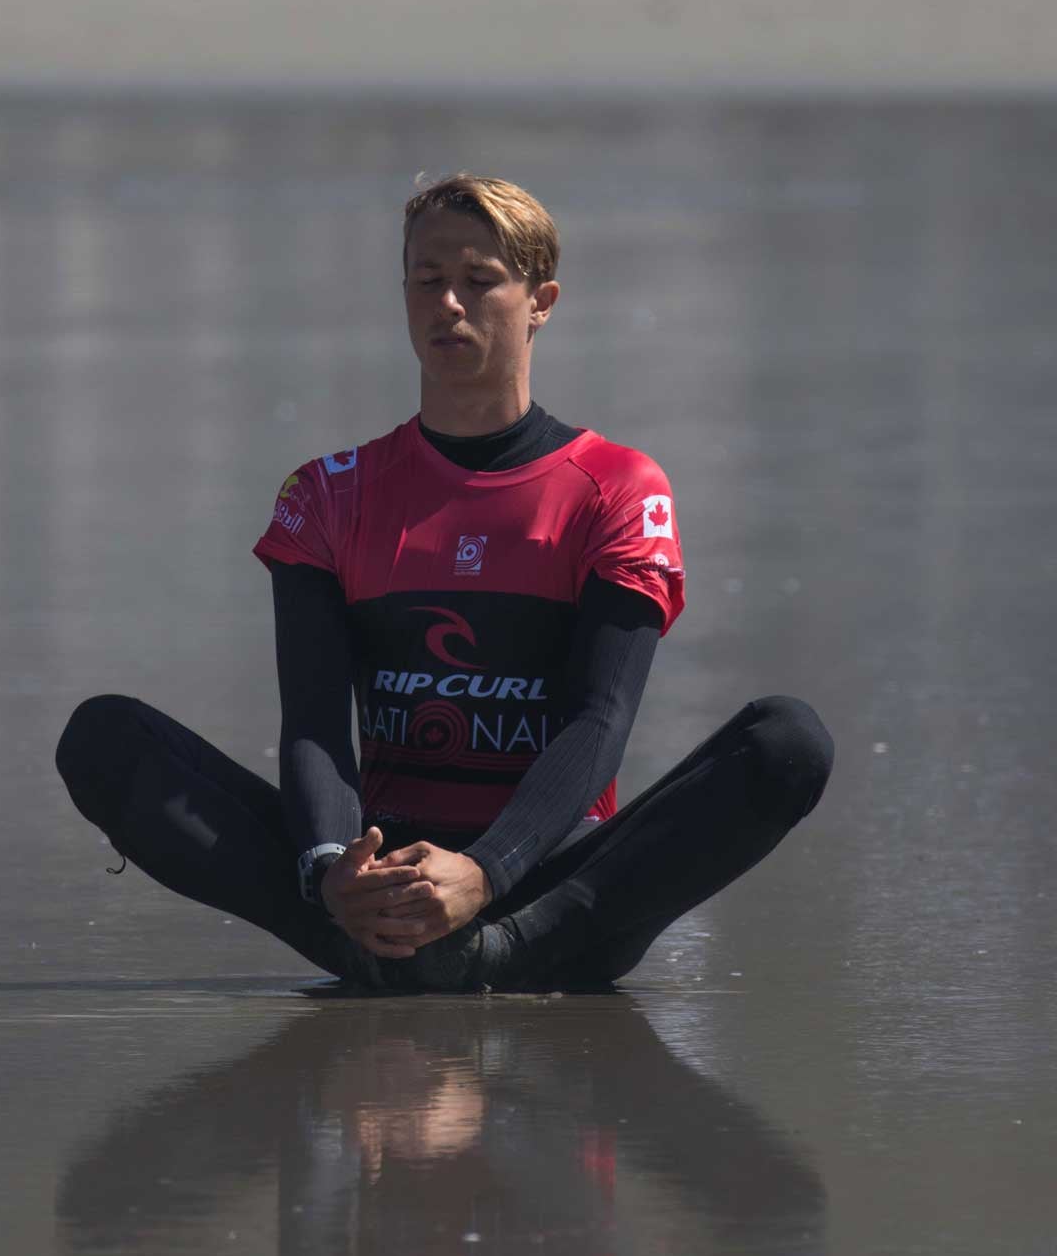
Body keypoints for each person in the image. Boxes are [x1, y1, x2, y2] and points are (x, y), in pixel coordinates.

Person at [55, 173, 833, 991]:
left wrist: (486, 874)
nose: (449, 304)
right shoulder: (329, 493)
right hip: (377, 882)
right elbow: (316, 726)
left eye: (480, 281)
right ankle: (371, 940)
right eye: (428, 281)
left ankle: (501, 953)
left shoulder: (617, 487)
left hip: (551, 883)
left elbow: (599, 720)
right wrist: (331, 871)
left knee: (786, 742)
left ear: (541, 301)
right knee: (105, 738)